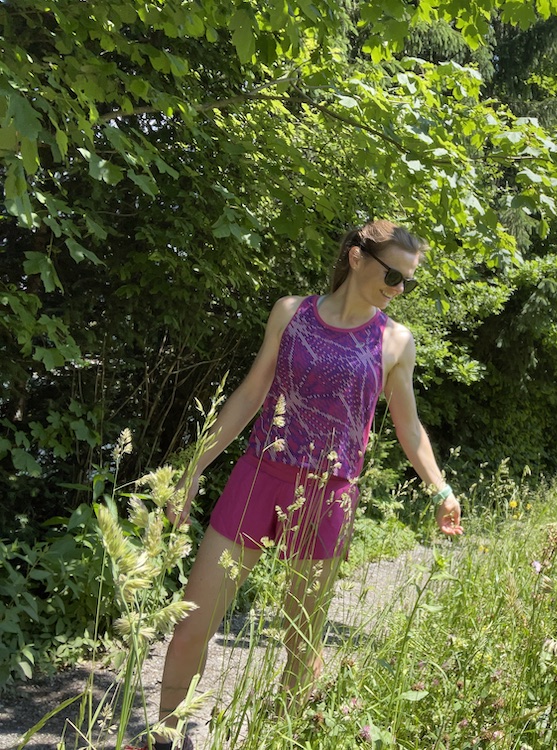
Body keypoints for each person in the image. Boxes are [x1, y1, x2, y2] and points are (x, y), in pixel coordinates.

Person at [150, 220, 463, 750]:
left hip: (328, 495)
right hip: (258, 478)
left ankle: (283, 738)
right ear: (358, 258)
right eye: (393, 274)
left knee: (301, 640)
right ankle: (165, 738)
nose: (399, 288)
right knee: (189, 627)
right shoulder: (291, 312)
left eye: (408, 281)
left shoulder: (395, 341)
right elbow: (251, 395)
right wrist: (193, 468)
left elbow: (408, 428)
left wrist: (440, 489)